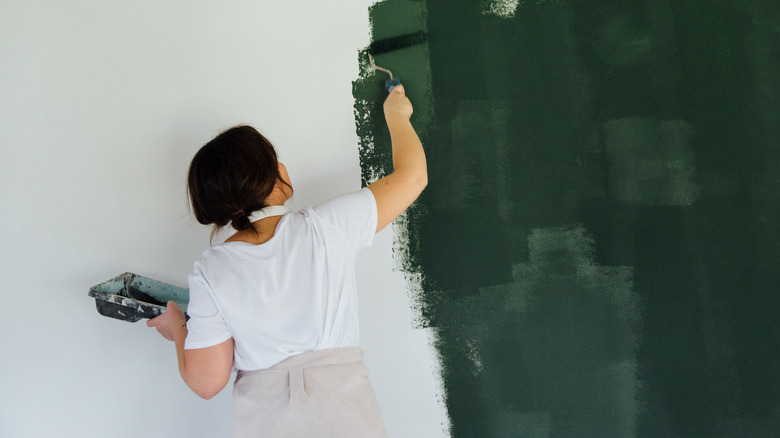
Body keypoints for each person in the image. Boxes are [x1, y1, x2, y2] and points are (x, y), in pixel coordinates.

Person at [147, 84, 426, 437]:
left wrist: (177, 330)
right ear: (278, 176)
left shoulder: (212, 271)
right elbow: (414, 177)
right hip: (348, 419)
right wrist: (396, 115)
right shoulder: (328, 226)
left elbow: (206, 382)